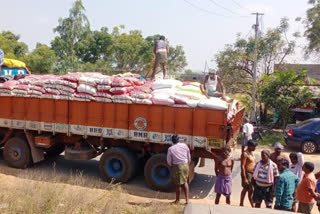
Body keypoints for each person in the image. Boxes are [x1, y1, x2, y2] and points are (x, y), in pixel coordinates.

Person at [167, 134, 191, 204]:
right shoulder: (184, 145)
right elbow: (188, 156)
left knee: (178, 184)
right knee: (185, 182)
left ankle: (177, 200)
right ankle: (187, 200)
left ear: (172, 141)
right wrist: (187, 163)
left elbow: (169, 160)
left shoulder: (171, 149)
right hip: (186, 165)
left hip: (178, 166)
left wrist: (172, 165)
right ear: (178, 140)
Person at [240, 140, 257, 207]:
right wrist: (244, 178)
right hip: (247, 173)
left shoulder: (252, 153)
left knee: (249, 189)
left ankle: (249, 203)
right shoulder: (245, 154)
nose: (255, 148)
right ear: (249, 146)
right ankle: (243, 203)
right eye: (254, 147)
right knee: (247, 188)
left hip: (253, 174)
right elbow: (242, 166)